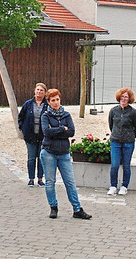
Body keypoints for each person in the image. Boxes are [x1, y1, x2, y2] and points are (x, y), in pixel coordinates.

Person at [40, 88, 92, 220]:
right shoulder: (45, 116)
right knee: (50, 181)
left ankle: (77, 208)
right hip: (49, 153)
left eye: (57, 99)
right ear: (48, 102)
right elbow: (46, 132)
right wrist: (63, 129)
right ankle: (53, 207)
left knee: (70, 182)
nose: (56, 102)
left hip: (64, 153)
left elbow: (72, 132)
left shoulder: (66, 115)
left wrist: (56, 131)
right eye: (53, 100)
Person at [107, 87, 136, 195]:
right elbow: (111, 125)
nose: (124, 98)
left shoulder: (133, 112)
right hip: (115, 141)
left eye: (126, 97)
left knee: (126, 165)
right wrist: (116, 134)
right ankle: (113, 186)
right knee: (115, 164)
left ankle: (124, 186)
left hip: (128, 142)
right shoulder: (113, 111)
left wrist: (130, 136)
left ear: (129, 99)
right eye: (122, 96)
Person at [18, 82, 48, 187]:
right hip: (30, 136)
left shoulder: (47, 105)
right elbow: (21, 117)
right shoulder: (28, 104)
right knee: (31, 158)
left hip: (43, 137)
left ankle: (40, 179)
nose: (39, 92)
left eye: (41, 90)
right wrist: (23, 129)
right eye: (38, 90)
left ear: (45, 93)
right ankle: (31, 178)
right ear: (34, 91)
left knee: (41, 158)